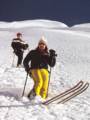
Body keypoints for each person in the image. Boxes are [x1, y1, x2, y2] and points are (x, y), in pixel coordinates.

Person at [23, 36, 57, 101]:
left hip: (45, 70)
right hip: (35, 69)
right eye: (40, 44)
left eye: (43, 44)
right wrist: (28, 69)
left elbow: (52, 65)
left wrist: (53, 56)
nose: (41, 45)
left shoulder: (47, 54)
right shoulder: (33, 52)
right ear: (38, 45)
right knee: (39, 82)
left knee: (45, 84)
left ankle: (42, 98)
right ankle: (33, 97)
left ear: (45, 46)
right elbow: (25, 61)